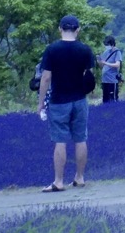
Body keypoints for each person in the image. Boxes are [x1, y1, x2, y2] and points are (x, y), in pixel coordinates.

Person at [36, 14, 97, 192]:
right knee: (80, 138)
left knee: (60, 140)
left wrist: (40, 102)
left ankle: (58, 181)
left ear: (60, 29)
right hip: (79, 99)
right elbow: (90, 78)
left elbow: (46, 78)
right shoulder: (85, 50)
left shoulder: (52, 49)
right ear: (78, 29)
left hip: (59, 100)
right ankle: (79, 178)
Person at [99, 35, 122, 103]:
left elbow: (117, 64)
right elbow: (102, 65)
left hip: (112, 80)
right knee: (105, 99)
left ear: (112, 44)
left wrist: (106, 63)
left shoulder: (117, 52)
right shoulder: (106, 52)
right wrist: (99, 61)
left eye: (107, 44)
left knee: (113, 99)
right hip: (105, 80)